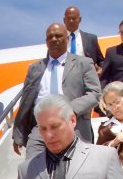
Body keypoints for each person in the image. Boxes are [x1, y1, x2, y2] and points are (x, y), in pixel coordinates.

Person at [13, 22, 101, 157]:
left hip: (71, 125)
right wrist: (18, 134)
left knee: (74, 171)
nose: (54, 39)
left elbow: (95, 93)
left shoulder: (83, 63)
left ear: (67, 39)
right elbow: (26, 102)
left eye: (58, 36)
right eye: (50, 37)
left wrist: (68, 109)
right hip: (41, 128)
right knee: (32, 168)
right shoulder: (35, 68)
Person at [63, 5, 104, 72]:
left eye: (74, 18)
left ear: (80, 20)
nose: (71, 21)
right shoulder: (56, 40)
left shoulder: (91, 39)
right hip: (64, 78)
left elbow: (102, 61)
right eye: (69, 18)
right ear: (64, 20)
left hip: (87, 77)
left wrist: (101, 70)